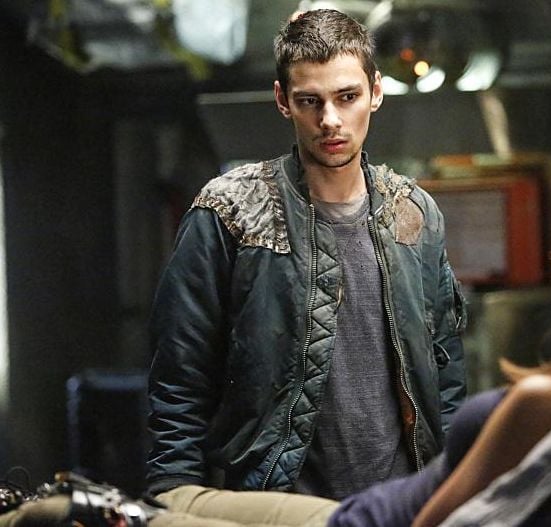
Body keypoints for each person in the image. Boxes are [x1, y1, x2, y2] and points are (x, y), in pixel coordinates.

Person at [148, 161, 551, 527]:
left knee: (160, 512)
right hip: (356, 509)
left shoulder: (548, 400)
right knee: (174, 507)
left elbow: (437, 521)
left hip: (367, 522)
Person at [146, 7, 467, 504]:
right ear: (283, 101)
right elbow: (180, 376)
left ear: (376, 92)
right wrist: (175, 495)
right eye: (309, 101)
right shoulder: (231, 211)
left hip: (401, 502)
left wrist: (456, 488)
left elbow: (445, 373)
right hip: (277, 501)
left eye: (347, 97)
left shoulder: (413, 213)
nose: (330, 120)